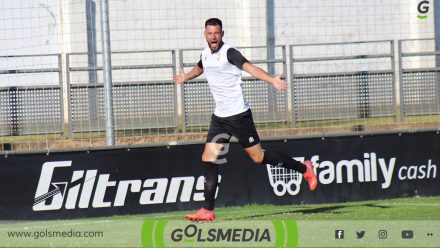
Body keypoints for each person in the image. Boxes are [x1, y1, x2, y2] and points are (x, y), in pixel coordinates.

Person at [173, 18, 317, 222]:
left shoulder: (230, 52)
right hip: (220, 118)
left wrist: (272, 80)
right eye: (210, 33)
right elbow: (201, 67)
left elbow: (251, 68)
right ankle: (207, 210)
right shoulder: (205, 54)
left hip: (239, 116)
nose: (213, 37)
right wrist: (185, 77)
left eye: (217, 33)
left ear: (222, 34)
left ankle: (305, 169)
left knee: (258, 158)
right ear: (205, 34)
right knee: (208, 158)